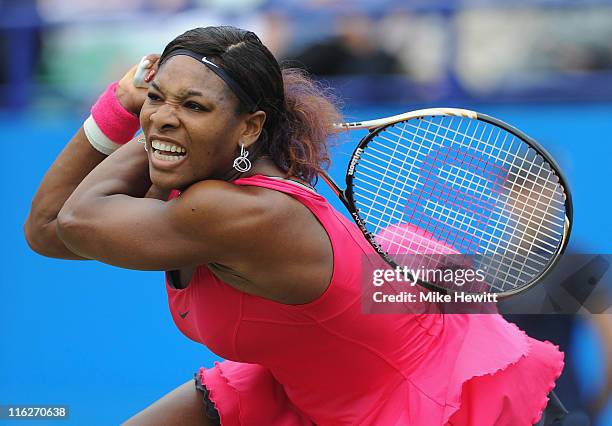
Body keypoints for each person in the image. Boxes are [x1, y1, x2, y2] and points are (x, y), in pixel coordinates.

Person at [25, 26, 568, 425]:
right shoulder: (195, 182)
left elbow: (74, 217)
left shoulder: (238, 213)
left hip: (430, 399)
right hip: (308, 380)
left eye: (195, 105)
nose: (165, 114)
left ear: (250, 127)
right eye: (158, 96)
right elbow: (47, 230)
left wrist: (153, 124)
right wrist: (131, 107)